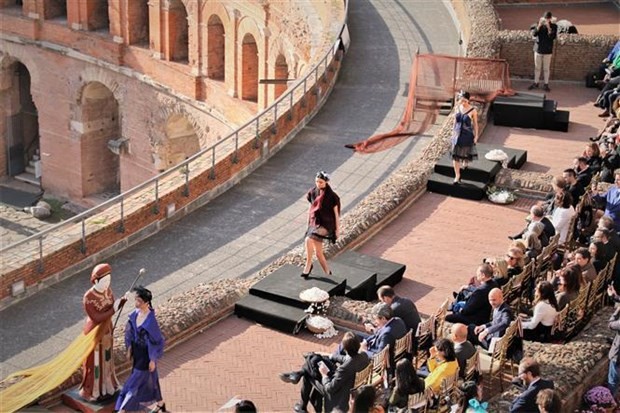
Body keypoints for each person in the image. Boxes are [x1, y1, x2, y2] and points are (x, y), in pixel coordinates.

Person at [280, 332, 370, 413]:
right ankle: (301, 371)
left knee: (308, 374)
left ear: (345, 348)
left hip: (337, 393)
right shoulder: (364, 356)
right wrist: (329, 355)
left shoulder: (344, 369)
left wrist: (324, 374)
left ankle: (302, 404)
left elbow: (329, 388)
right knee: (318, 358)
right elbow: (347, 359)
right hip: (346, 383)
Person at [79, 263, 127, 401]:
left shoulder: (108, 291)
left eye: (109, 281)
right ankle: (91, 390)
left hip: (107, 330)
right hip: (94, 332)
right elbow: (96, 318)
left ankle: (107, 385)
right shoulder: (89, 297)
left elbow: (112, 306)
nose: (107, 284)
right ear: (95, 280)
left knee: (107, 358)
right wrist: (114, 310)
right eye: (104, 281)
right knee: (94, 362)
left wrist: (120, 303)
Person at [115, 286, 166, 413]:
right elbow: (129, 332)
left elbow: (157, 341)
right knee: (152, 378)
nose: (136, 303)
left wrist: (153, 359)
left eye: (139, 301)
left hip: (146, 355)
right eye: (136, 300)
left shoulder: (151, 320)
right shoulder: (135, 315)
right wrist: (129, 348)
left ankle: (122, 409)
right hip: (137, 354)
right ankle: (160, 403)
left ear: (146, 302)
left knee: (132, 384)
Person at [302, 171, 340, 277]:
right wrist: (310, 221)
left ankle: (308, 265)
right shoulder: (313, 192)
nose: (318, 184)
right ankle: (328, 273)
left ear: (326, 182)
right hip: (315, 223)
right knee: (318, 252)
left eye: (321, 182)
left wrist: (337, 230)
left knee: (308, 240)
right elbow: (312, 207)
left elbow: (336, 214)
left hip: (327, 224)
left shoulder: (332, 197)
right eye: (317, 182)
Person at [450, 91, 478, 184]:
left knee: (465, 152)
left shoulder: (473, 110)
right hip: (457, 135)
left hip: (467, 134)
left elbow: (475, 124)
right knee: (455, 155)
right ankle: (457, 175)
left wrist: (476, 135)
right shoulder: (457, 107)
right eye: (461, 100)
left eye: (465, 101)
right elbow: (455, 121)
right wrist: (453, 131)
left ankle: (465, 161)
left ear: (468, 100)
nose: (463, 103)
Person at [528, 11, 557, 92]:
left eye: (547, 18)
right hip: (538, 50)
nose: (546, 20)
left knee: (546, 69)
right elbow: (534, 34)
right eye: (545, 18)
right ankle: (536, 83)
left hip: (547, 51)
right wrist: (539, 26)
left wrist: (548, 28)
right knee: (537, 68)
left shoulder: (554, 26)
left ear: (550, 19)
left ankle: (546, 84)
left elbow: (552, 37)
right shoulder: (538, 24)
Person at [607, 286, 620, 394]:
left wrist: (617, 311)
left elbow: (611, 324)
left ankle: (612, 401)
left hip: (618, 355)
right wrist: (614, 296)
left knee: (613, 381)